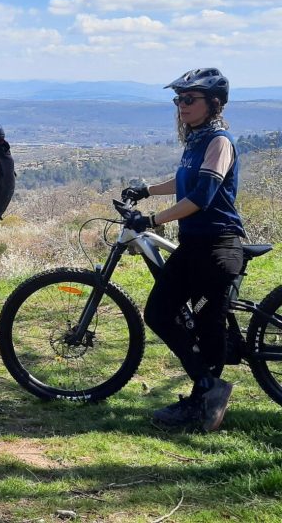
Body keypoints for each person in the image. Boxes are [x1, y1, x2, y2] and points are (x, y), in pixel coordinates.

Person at [121, 67, 243, 432]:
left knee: (205, 324)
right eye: (178, 99)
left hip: (217, 247)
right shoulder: (196, 140)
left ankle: (206, 398)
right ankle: (205, 389)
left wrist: (152, 219)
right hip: (194, 246)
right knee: (160, 313)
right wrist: (147, 191)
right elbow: (185, 180)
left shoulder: (219, 141)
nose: (182, 105)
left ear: (214, 103)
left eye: (189, 99)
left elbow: (202, 196)